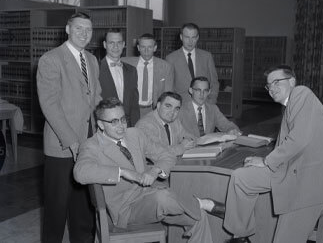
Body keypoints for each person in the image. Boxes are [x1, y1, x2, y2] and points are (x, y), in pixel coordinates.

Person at [205, 65, 323, 243]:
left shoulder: (301, 93)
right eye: (268, 85)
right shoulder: (289, 106)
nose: (271, 88)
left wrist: (266, 161)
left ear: (292, 81)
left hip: (310, 183)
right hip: (294, 171)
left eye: (276, 82)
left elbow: (299, 139)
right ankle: (241, 234)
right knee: (241, 177)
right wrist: (266, 160)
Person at [73, 97, 214, 243]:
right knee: (165, 197)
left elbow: (166, 155)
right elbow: (80, 172)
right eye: (114, 122)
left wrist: (155, 171)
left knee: (198, 216)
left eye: (123, 119)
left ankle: (197, 206)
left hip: (149, 196)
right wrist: (122, 172)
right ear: (101, 125)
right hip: (126, 209)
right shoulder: (91, 145)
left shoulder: (134, 134)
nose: (121, 126)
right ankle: (199, 202)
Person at [36, 12, 101, 243]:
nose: (84, 34)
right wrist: (72, 140)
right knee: (56, 207)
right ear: (67, 29)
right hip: (62, 146)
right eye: (79, 29)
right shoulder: (51, 59)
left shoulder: (92, 60)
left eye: (88, 30)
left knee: (83, 206)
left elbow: (96, 98)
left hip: (89, 143)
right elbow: (50, 105)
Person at [121, 33, 173, 117]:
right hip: (131, 109)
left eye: (149, 47)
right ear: (138, 48)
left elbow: (168, 93)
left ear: (155, 48)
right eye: (143, 47)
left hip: (153, 110)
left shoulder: (165, 67)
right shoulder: (126, 63)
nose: (146, 51)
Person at [166, 23, 219, 104]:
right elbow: (169, 87)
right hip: (182, 106)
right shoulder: (171, 58)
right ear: (181, 37)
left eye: (193, 37)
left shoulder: (207, 56)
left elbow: (214, 83)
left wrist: (212, 101)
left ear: (197, 38)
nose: (190, 41)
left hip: (205, 104)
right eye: (187, 37)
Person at [99, 29, 140, 126]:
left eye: (119, 43)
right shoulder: (95, 69)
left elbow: (134, 105)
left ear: (123, 44)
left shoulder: (132, 70)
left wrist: (135, 128)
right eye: (111, 43)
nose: (115, 46)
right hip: (106, 126)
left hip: (128, 126)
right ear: (105, 44)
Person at [136, 92, 196, 156]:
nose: (172, 112)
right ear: (158, 105)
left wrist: (190, 141)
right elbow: (156, 153)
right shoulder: (146, 125)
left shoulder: (174, 121)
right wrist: (182, 147)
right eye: (168, 106)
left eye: (176, 109)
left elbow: (190, 137)